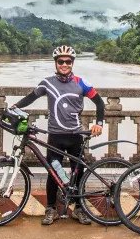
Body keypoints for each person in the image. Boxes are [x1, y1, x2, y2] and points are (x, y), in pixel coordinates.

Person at [12, 45, 105, 225]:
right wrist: (14, 107)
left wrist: (99, 124)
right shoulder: (47, 83)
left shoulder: (81, 82)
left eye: (68, 61)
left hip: (75, 136)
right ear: (55, 63)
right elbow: (31, 97)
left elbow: (100, 103)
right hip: (55, 136)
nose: (64, 64)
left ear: (72, 63)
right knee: (53, 173)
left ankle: (79, 209)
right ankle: (51, 209)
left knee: (78, 173)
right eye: (60, 61)